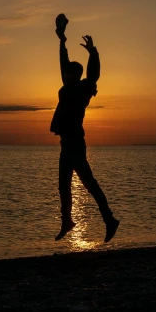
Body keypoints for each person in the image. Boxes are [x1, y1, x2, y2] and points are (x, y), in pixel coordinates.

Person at [51, 13, 119, 242]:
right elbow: (63, 64)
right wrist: (62, 40)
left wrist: (93, 53)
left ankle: (109, 219)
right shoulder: (67, 85)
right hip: (65, 144)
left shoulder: (82, 89)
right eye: (66, 73)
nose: (65, 75)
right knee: (63, 186)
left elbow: (94, 74)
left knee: (89, 184)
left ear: (75, 75)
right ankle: (67, 221)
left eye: (69, 73)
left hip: (76, 144)